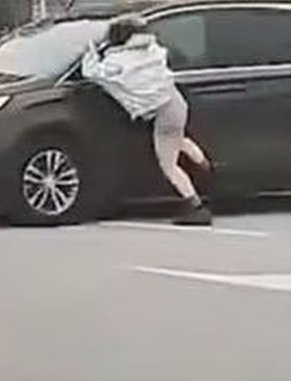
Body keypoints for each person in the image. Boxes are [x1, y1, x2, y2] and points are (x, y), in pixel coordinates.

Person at [82, 17, 213, 226]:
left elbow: (92, 72)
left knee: (168, 164)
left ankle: (195, 206)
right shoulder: (152, 51)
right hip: (176, 104)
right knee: (175, 139)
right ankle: (205, 166)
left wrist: (90, 51)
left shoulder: (117, 62)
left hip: (162, 112)